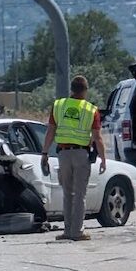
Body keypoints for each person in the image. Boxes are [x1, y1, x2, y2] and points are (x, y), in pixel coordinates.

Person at [40, 76, 106, 241]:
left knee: (67, 193)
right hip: (81, 155)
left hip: (63, 154)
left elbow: (50, 132)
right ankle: (77, 232)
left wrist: (45, 153)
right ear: (85, 90)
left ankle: (67, 231)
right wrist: (103, 158)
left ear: (72, 89)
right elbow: (98, 137)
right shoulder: (91, 109)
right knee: (80, 194)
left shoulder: (59, 106)